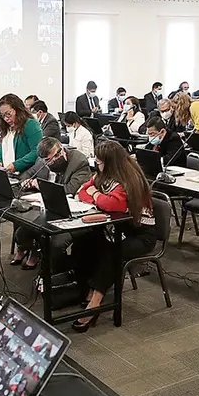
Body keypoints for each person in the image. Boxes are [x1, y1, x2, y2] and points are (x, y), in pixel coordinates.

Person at [71, 141, 156, 332]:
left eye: (99, 161)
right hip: (115, 229)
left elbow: (113, 205)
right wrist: (96, 195)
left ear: (110, 162)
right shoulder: (104, 175)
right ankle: (88, 289)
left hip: (140, 234)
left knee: (111, 253)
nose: (96, 164)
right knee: (83, 243)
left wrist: (95, 195)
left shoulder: (130, 180)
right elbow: (81, 191)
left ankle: (95, 303)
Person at [10, 137, 92, 270]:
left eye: (50, 159)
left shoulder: (78, 161)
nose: (48, 163)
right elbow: (28, 173)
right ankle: (35, 251)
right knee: (21, 234)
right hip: (45, 208)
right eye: (45, 160)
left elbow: (71, 189)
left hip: (69, 213)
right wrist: (26, 181)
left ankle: (56, 268)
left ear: (61, 151)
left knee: (54, 242)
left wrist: (41, 186)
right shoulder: (42, 160)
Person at [0, 94, 44, 173]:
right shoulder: (6, 127)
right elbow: (2, 146)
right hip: (7, 173)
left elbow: (37, 151)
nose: (6, 119)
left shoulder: (30, 124)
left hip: (26, 174)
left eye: (8, 114)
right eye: (3, 115)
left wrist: (16, 165)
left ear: (18, 110)